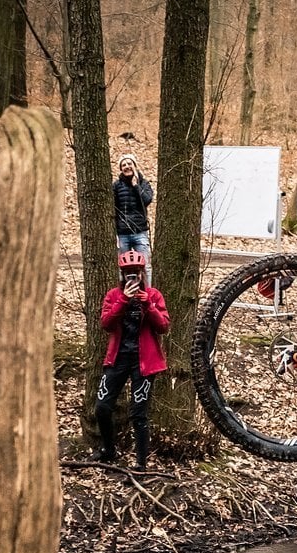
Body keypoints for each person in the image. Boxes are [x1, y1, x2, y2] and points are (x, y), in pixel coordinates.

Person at [91, 250, 171, 472]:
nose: (132, 277)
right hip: (118, 359)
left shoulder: (153, 295)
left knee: (139, 413)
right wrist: (124, 300)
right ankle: (109, 450)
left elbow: (163, 326)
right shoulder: (113, 295)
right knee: (102, 407)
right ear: (122, 275)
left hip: (144, 362)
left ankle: (141, 463)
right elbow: (106, 324)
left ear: (143, 273)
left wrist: (149, 306)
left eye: (136, 273)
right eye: (128, 273)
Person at [113, 154, 154, 283]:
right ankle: (124, 294)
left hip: (140, 232)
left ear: (135, 166)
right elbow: (112, 208)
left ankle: (147, 293)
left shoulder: (144, 183)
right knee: (122, 267)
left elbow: (147, 200)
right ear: (121, 169)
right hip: (123, 233)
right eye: (123, 165)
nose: (127, 167)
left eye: (129, 164)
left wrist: (136, 186)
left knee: (145, 266)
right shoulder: (116, 186)